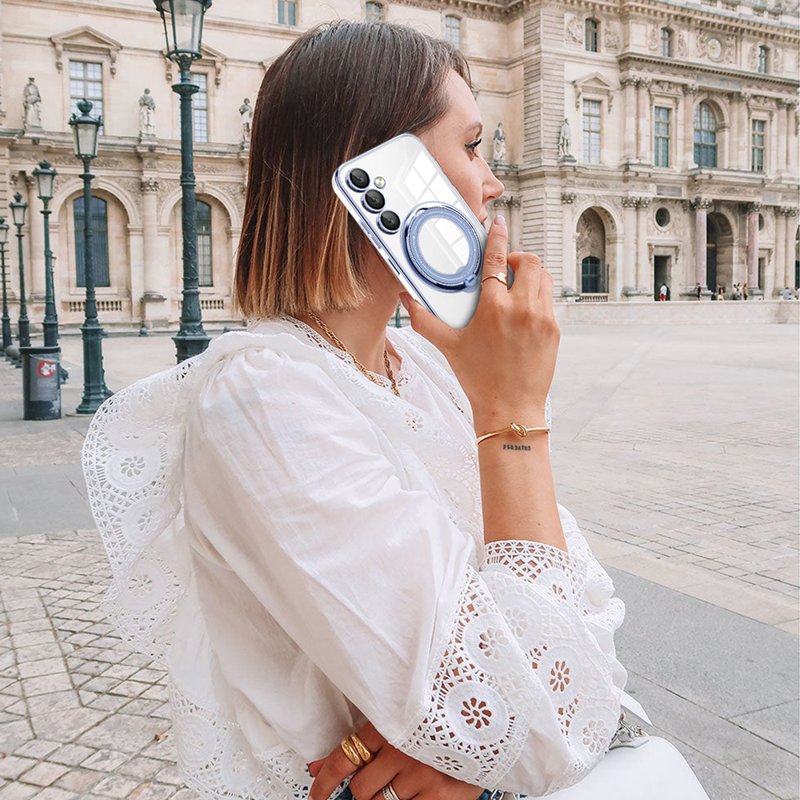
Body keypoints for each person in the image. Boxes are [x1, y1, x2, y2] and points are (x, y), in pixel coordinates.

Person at [82, 20, 708, 800]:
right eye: (472, 147)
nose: (493, 182)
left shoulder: (421, 365)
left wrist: (474, 727)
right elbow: (547, 723)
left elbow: (586, 639)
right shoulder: (264, 400)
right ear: (382, 170)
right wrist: (513, 413)